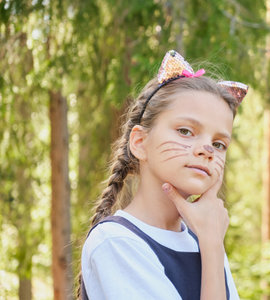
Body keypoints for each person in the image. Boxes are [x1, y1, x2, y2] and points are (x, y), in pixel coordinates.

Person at [79, 50, 248, 300]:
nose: (207, 150)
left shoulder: (205, 238)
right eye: (185, 131)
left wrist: (212, 246)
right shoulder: (115, 242)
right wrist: (212, 249)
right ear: (139, 142)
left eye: (219, 144)